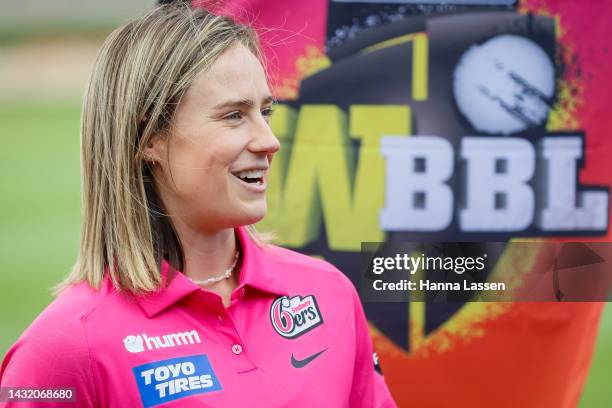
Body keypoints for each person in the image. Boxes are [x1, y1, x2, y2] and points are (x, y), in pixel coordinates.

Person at [0, 3, 397, 407]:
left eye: (265, 112)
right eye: (233, 116)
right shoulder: (62, 349)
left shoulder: (329, 293)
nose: (269, 141)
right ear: (149, 138)